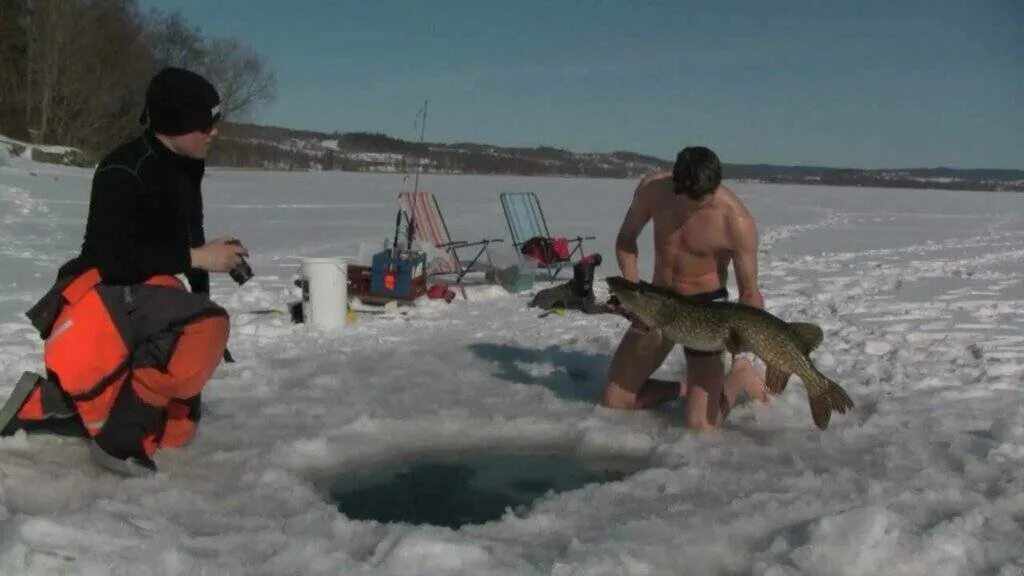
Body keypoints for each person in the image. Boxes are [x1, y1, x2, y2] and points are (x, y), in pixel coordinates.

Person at [0, 67, 248, 475]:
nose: (214, 132)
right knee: (207, 326)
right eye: (206, 123)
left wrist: (207, 255)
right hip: (99, 294)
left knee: (176, 432)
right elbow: (114, 258)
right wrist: (198, 259)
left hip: (139, 289)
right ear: (176, 122)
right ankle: (116, 443)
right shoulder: (124, 168)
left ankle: (50, 406)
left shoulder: (184, 166)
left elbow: (170, 244)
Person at [603, 146, 768, 430]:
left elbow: (750, 293)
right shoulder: (653, 190)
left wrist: (744, 342)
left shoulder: (736, 222)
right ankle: (685, 389)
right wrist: (633, 294)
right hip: (658, 303)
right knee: (616, 401)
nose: (694, 206)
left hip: (706, 311)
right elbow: (626, 240)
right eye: (688, 197)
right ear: (675, 182)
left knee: (701, 425)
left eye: (703, 200)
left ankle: (738, 375)